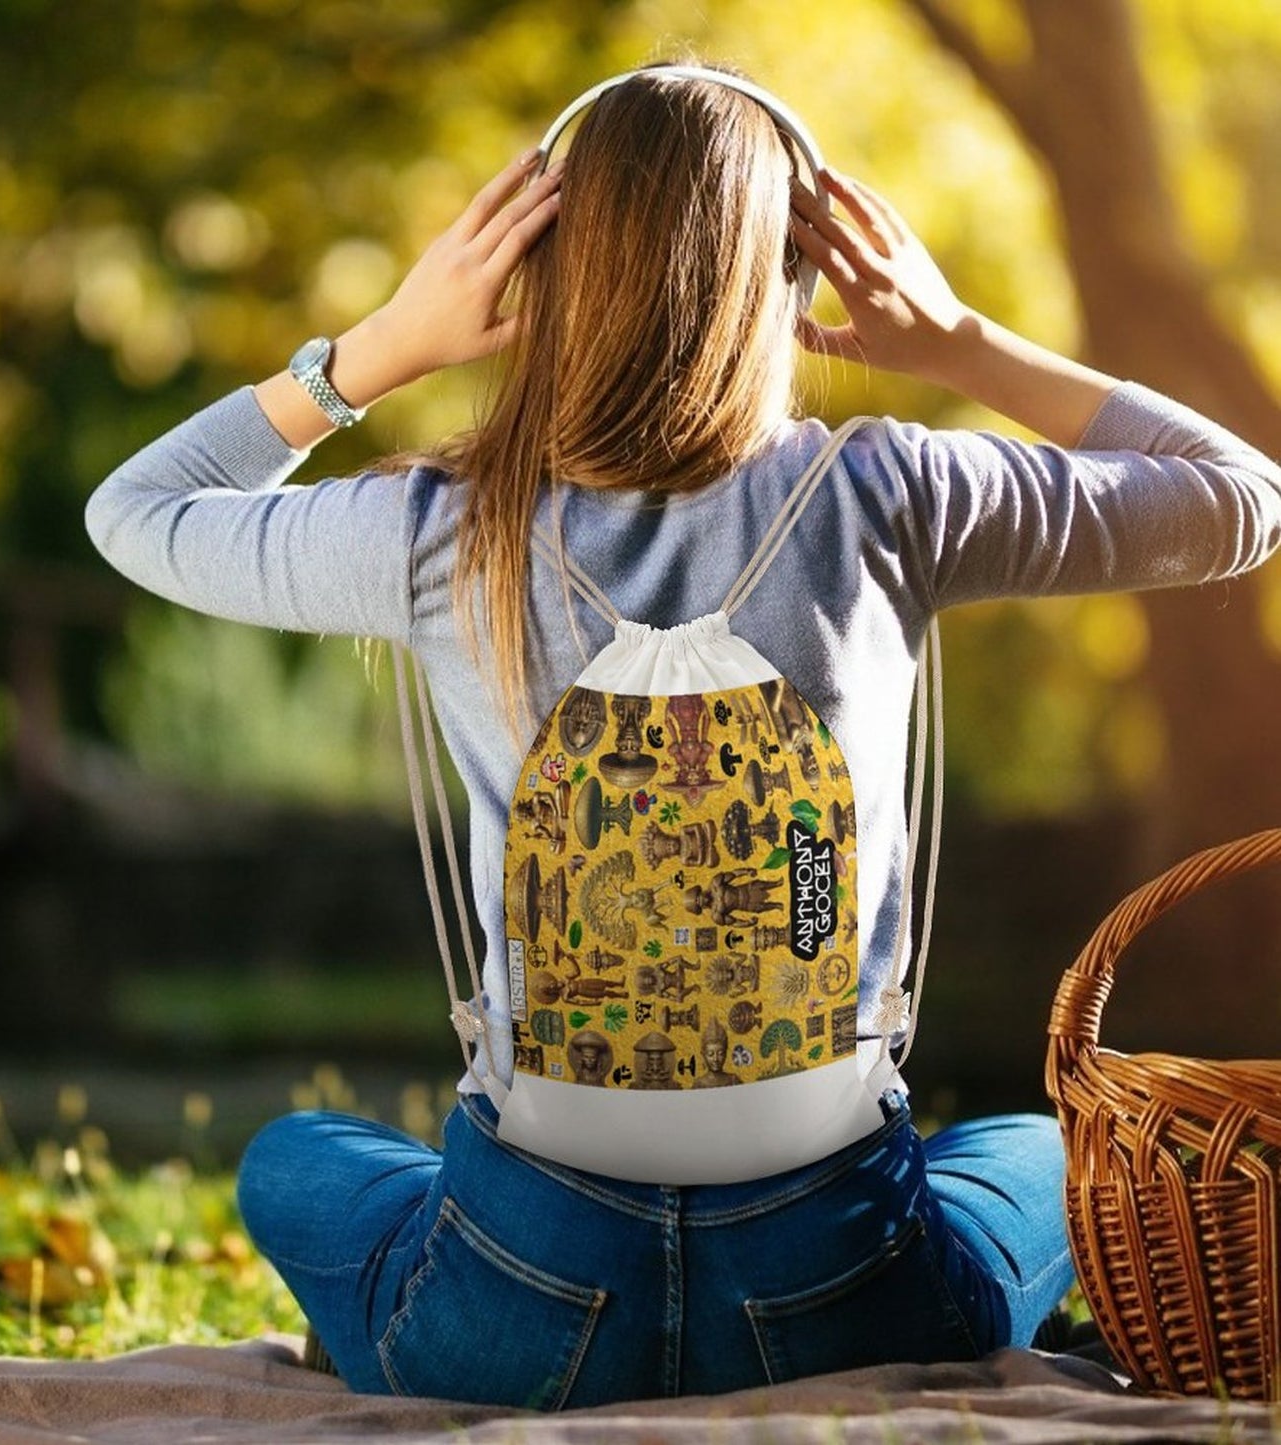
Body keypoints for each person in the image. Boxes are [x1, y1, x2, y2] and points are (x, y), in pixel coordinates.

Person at [86, 64, 1281, 1408]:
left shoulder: (434, 528)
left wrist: (379, 349)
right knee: (1028, 1150)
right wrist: (958, 343)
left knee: (298, 1155)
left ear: (537, 275)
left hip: (523, 1299)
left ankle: (433, 1295)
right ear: (798, 277)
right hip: (845, 1301)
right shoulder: (891, 494)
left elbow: (134, 513)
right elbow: (1243, 497)